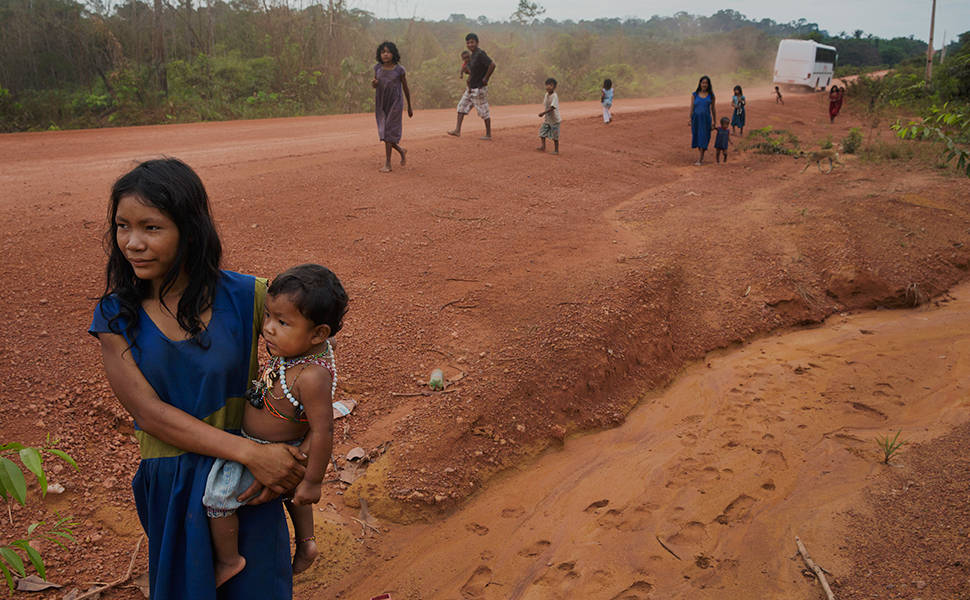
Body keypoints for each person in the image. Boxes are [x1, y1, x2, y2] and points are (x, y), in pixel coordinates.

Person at [90, 158, 307, 599]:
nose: (132, 243)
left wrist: (297, 452)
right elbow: (149, 415)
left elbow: (307, 371)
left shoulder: (251, 296)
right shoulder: (115, 316)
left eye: (151, 228)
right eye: (122, 226)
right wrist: (253, 453)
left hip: (248, 483)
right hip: (174, 486)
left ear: (189, 229)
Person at [204, 264, 347, 586]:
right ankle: (307, 543)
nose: (268, 328)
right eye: (268, 315)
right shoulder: (302, 350)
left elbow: (323, 430)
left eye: (282, 322)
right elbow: (330, 348)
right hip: (274, 442)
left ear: (317, 333)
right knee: (292, 494)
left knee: (217, 499)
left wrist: (314, 481)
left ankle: (229, 560)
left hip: (268, 448)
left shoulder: (311, 376)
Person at [372, 41, 413, 172]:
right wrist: (374, 84)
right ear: (380, 54)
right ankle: (401, 150)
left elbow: (405, 88)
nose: (385, 54)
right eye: (383, 52)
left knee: (388, 131)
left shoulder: (399, 70)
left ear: (393, 54)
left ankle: (388, 163)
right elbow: (376, 84)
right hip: (381, 103)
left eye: (388, 52)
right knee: (384, 132)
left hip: (395, 103)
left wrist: (410, 106)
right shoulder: (377, 68)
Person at [447, 33, 496, 140]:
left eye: (472, 42)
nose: (470, 44)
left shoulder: (480, 54)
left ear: (477, 43)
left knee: (483, 111)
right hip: (470, 88)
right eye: (468, 43)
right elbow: (474, 71)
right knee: (461, 106)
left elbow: (492, 65)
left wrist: (486, 78)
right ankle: (457, 130)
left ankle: (488, 134)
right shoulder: (472, 55)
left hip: (479, 88)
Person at [688, 75, 716, 166]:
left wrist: (714, 121)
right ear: (700, 83)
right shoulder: (694, 95)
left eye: (706, 83)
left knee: (703, 137)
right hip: (696, 119)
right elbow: (692, 107)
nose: (704, 84)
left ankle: (700, 159)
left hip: (706, 120)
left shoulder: (711, 96)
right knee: (697, 136)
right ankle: (701, 155)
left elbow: (713, 109)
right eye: (703, 82)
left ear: (709, 85)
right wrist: (690, 119)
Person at [536, 77, 561, 155]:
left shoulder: (555, 96)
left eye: (550, 85)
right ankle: (543, 146)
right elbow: (545, 104)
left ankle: (556, 150)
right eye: (547, 85)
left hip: (555, 120)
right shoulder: (546, 95)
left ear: (554, 87)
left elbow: (552, 107)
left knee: (555, 136)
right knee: (542, 132)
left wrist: (543, 113)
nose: (548, 87)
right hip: (548, 119)